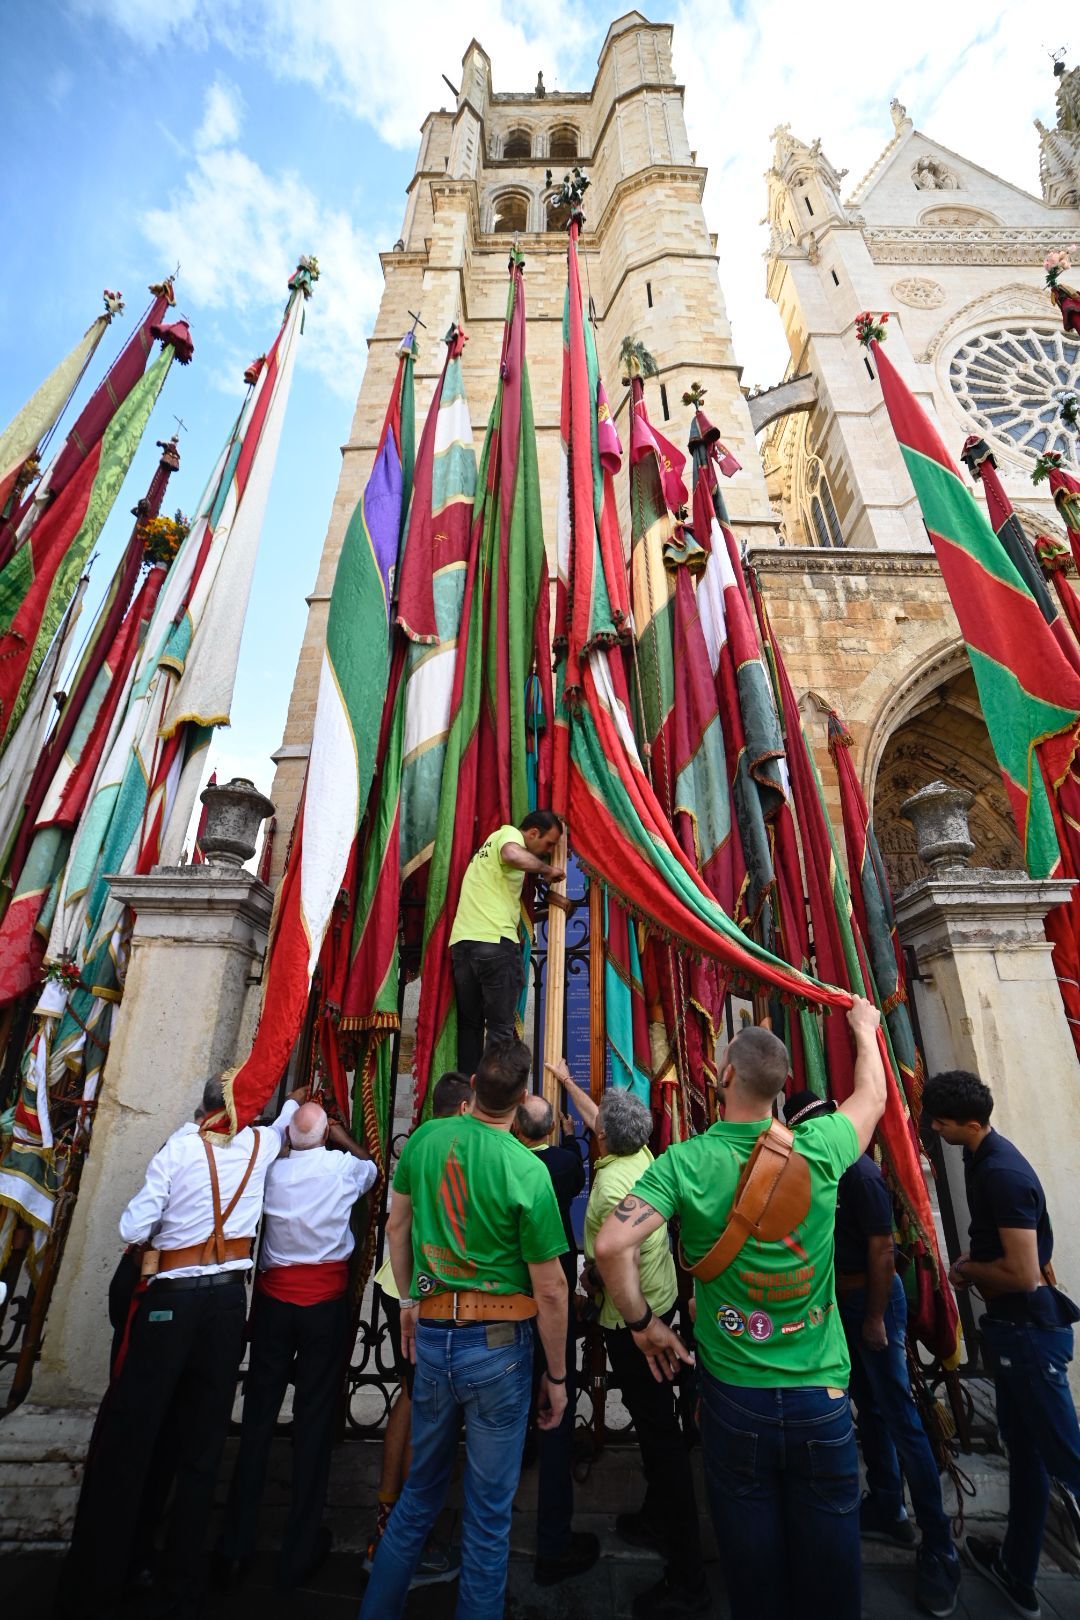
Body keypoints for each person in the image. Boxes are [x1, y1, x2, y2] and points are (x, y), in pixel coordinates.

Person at [595, 999, 887, 1620]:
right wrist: (864, 1028)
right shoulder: (825, 1144)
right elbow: (873, 1097)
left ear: (725, 1077)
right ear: (782, 1087)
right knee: (833, 1582)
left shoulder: (686, 1161)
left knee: (753, 1577)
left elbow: (611, 1243)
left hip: (736, 1396)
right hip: (822, 1394)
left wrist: (645, 1325)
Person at [58, 1076, 295, 1620]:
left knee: (136, 1433)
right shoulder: (260, 1146)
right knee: (202, 1443)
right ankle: (182, 1582)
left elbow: (134, 1224)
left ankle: (111, 1573)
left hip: (173, 1300)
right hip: (226, 1305)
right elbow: (285, 1126)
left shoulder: (181, 1147)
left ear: (204, 1108)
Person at [359, 1040, 570, 1620]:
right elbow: (550, 1288)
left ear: (473, 1084)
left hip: (433, 1330)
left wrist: (407, 1300)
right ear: (524, 1098)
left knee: (417, 1499)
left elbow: (396, 1225)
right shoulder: (526, 1167)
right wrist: (557, 1374)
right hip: (499, 1345)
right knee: (487, 1516)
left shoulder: (426, 1139)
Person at [784, 1091, 961, 1617]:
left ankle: (939, 1545)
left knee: (902, 1418)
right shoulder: (821, 1171)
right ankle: (887, 1503)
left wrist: (878, 1318)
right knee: (870, 1408)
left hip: (872, 1301)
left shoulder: (858, 1175)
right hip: (843, 1304)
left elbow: (884, 1249)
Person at [553, 1056, 708, 1620]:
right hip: (665, 1302)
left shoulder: (607, 1190)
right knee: (661, 1426)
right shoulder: (646, 1157)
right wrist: (570, 1082)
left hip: (634, 1324)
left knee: (660, 1441)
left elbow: (601, 1259)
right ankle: (652, 1513)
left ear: (605, 1139)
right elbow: (606, 1122)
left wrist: (587, 1290)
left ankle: (688, 1572)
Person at [923, 1069, 1080, 1619]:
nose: (935, 1128)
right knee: (1030, 1455)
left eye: (941, 1121)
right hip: (1016, 1334)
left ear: (969, 1122)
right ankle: (1017, 1570)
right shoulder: (982, 1157)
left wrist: (967, 1268)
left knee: (1068, 1461)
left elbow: (1026, 1274)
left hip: (1030, 1336)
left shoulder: (1003, 1174)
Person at [218, 1098, 378, 1590]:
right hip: (321, 1308)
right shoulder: (340, 1167)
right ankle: (299, 1547)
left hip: (272, 1306)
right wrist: (340, 1134)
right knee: (312, 1422)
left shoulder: (273, 1171)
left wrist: (292, 1120)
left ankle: (234, 1547)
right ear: (325, 1136)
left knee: (258, 1419)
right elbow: (373, 1167)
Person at [364, 1070, 473, 1586]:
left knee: (408, 1401)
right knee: (423, 1409)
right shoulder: (455, 1145)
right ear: (464, 1107)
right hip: (422, 1292)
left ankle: (388, 1519)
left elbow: (396, 1223)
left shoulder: (419, 1143)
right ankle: (407, 1540)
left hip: (397, 1285)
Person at [514, 1090, 597, 1587]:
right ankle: (553, 1541)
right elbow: (570, 1156)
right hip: (554, 1301)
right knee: (555, 1412)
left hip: (507, 1297)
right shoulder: (565, 1165)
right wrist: (570, 1132)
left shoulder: (503, 1162)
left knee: (509, 1409)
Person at [448, 809, 564, 1073]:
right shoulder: (508, 835)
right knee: (500, 1031)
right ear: (533, 833)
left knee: (470, 1027)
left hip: (464, 946)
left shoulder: (489, 847)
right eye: (548, 844)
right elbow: (512, 854)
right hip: (495, 945)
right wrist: (547, 869)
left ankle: (470, 1093)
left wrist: (555, 909)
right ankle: (493, 1103)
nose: (547, 852)